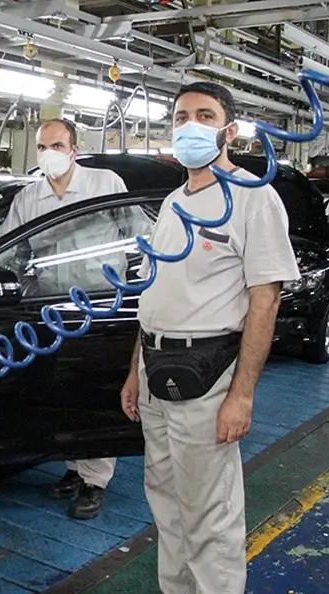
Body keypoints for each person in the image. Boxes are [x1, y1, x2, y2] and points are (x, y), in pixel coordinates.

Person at [120, 81, 299, 593]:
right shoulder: (174, 201)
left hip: (208, 376)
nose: (189, 125)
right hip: (157, 374)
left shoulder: (253, 197)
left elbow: (265, 301)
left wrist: (241, 396)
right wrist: (135, 371)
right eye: (180, 117)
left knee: (209, 514)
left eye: (204, 114)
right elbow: (154, 293)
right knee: (167, 503)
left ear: (230, 129)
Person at [0, 118, 128, 520]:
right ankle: (72, 468)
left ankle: (94, 480)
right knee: (61, 391)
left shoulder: (105, 184)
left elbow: (138, 232)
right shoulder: (30, 197)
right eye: (41, 146)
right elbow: (10, 248)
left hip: (99, 306)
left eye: (56, 145)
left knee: (95, 394)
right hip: (49, 309)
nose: (48, 153)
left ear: (73, 148)